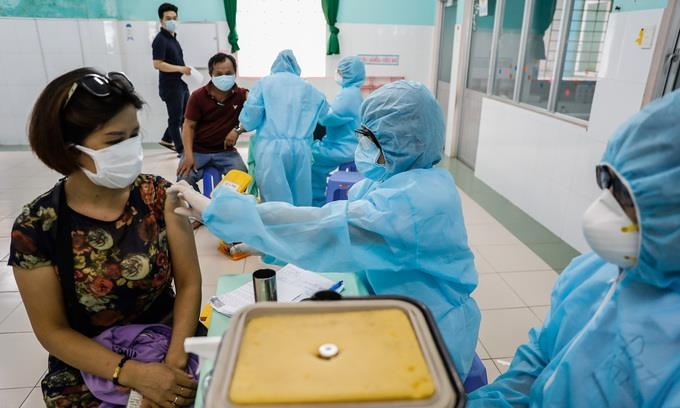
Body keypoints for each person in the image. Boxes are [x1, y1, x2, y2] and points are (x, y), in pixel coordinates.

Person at [168, 80, 481, 380]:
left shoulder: (414, 202)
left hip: (432, 335)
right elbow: (337, 232)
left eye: (371, 138)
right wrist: (266, 243)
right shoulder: (396, 178)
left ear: (404, 142)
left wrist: (222, 212)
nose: (363, 146)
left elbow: (330, 229)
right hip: (401, 310)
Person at [467, 90, 680, 406]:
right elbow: (541, 358)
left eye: (625, 197)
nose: (605, 206)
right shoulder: (595, 270)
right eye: (608, 183)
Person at [8, 68, 202, 407]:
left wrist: (172, 366)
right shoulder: (37, 227)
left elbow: (188, 284)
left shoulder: (157, 195)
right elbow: (52, 331)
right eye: (115, 141)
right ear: (69, 149)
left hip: (170, 339)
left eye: (134, 135)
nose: (130, 149)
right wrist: (135, 375)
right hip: (92, 362)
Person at [236, 49, 329, 205]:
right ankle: (299, 226)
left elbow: (250, 119)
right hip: (301, 149)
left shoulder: (264, 84)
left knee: (275, 198)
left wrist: (242, 125)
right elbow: (326, 115)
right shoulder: (310, 89)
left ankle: (276, 228)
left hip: (271, 150)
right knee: (300, 195)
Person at [177, 52, 248, 190]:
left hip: (226, 152)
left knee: (243, 177)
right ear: (211, 74)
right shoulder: (197, 96)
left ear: (235, 73)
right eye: (219, 74)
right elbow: (188, 126)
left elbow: (256, 115)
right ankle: (199, 208)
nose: (224, 77)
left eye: (228, 73)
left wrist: (238, 131)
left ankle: (226, 207)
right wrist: (188, 155)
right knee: (183, 181)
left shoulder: (242, 95)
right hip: (198, 150)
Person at [311, 56, 365, 206]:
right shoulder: (352, 92)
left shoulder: (348, 94)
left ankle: (316, 202)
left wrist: (318, 102)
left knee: (311, 160)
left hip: (343, 147)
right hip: (349, 144)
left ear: (348, 73)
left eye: (340, 71)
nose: (338, 74)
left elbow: (328, 119)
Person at [152, 2, 191, 154]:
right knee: (175, 120)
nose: (172, 21)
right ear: (161, 21)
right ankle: (181, 150)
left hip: (181, 83)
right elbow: (157, 64)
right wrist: (181, 68)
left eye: (174, 18)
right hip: (170, 86)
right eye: (168, 18)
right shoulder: (160, 40)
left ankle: (166, 139)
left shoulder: (172, 38)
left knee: (185, 115)